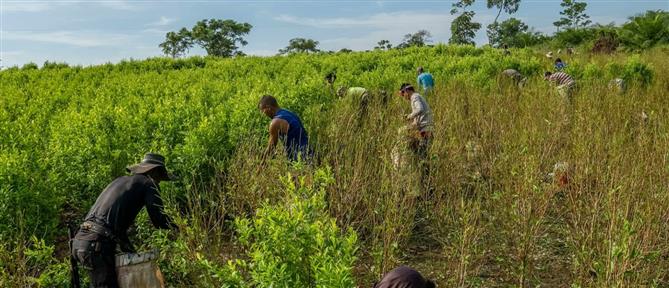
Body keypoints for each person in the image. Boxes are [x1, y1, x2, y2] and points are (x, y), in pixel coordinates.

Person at [71, 153, 176, 287]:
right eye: (160, 177)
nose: (159, 181)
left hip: (81, 242)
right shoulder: (149, 184)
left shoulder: (120, 181)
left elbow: (110, 225)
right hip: (97, 245)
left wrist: (130, 249)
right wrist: (180, 227)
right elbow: (159, 220)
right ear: (154, 171)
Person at [258, 95, 311, 162]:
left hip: (299, 159)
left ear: (268, 108)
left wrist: (261, 164)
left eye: (263, 111)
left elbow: (271, 148)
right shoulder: (289, 113)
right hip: (309, 152)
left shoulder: (275, 123)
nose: (263, 114)